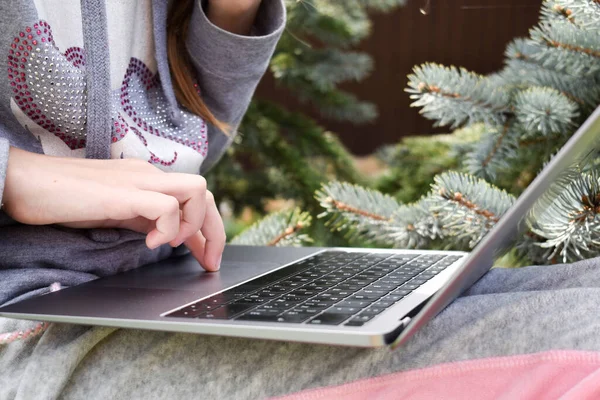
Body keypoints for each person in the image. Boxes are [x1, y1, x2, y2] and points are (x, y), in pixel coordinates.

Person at [2, 1, 600, 399]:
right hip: (29, 330)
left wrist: (230, 12)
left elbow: (191, 145)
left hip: (162, 283)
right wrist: (16, 178)